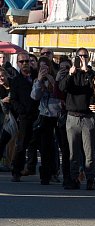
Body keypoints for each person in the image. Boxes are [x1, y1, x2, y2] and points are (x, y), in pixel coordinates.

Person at [58, 47, 95, 189]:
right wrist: (70, 74)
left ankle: (90, 179)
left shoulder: (92, 73)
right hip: (72, 117)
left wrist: (87, 71)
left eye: (85, 56)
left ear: (89, 57)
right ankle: (74, 178)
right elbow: (62, 88)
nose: (82, 59)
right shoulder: (70, 73)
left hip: (87, 117)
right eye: (80, 56)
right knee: (73, 152)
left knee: (89, 153)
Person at [30, 56, 63, 185]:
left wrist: (53, 83)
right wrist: (39, 81)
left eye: (46, 66)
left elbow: (60, 95)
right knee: (45, 148)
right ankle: (45, 175)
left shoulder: (56, 79)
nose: (44, 69)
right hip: (44, 116)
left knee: (57, 147)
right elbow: (34, 96)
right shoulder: (37, 81)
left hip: (57, 116)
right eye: (41, 67)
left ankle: (56, 171)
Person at [9, 51, 39, 183]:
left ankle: (45, 172)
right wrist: (21, 111)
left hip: (40, 114)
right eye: (22, 62)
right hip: (25, 116)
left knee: (43, 144)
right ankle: (17, 171)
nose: (25, 64)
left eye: (27, 61)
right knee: (21, 145)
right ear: (18, 64)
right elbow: (13, 99)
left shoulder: (37, 76)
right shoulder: (16, 80)